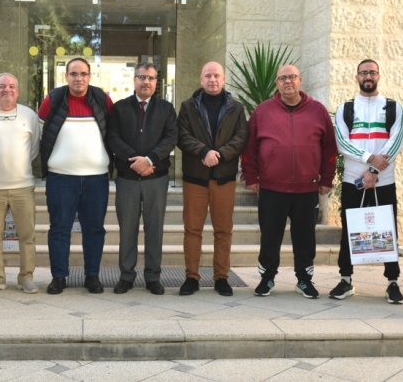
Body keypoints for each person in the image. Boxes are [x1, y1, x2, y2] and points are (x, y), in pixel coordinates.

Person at [242, 65, 336, 298]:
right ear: (277, 83)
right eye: (282, 78)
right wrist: (251, 176)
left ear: (300, 80)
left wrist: (326, 178)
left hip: (307, 188)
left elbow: (329, 148)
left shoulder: (317, 110)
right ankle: (267, 278)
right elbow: (249, 147)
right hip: (272, 187)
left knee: (305, 237)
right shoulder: (263, 111)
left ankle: (304, 280)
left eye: (292, 77)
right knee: (270, 236)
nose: (288, 82)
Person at [332, 59, 403, 304]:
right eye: (363, 73)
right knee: (349, 229)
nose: (368, 77)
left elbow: (396, 142)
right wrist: (368, 159)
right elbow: (342, 142)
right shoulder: (345, 109)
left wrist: (373, 170)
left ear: (379, 76)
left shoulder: (393, 108)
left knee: (388, 230)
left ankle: (392, 282)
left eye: (372, 72)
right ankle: (345, 279)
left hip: (383, 181)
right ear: (356, 77)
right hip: (353, 181)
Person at [38, 58, 113, 294]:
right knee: (59, 228)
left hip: (96, 179)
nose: (78, 78)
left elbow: (112, 131)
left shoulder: (102, 99)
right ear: (66, 76)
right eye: (73, 74)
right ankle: (58, 277)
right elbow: (40, 132)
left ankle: (92, 276)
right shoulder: (53, 99)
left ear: (89, 76)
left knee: (94, 229)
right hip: (61, 179)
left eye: (83, 74)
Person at [176, 61, 248, 296]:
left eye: (216, 75)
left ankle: (221, 278)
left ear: (223, 79)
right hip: (195, 178)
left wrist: (221, 155)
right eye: (208, 75)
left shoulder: (236, 108)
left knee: (223, 230)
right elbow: (182, 136)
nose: (212, 79)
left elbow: (241, 137)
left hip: (224, 178)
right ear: (201, 79)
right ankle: (191, 277)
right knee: (192, 229)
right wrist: (203, 152)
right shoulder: (188, 107)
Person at [107, 63, 178, 295]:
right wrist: (134, 161)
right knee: (127, 229)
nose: (146, 81)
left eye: (151, 78)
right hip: (127, 178)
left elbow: (171, 138)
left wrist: (149, 160)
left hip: (156, 178)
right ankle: (126, 276)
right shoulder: (120, 108)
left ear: (157, 82)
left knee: (154, 228)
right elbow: (113, 138)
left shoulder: (166, 109)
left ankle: (152, 277)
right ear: (134, 80)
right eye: (141, 77)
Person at [0, 73, 42, 294]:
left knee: (27, 235)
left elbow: (33, 148)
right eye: (2, 86)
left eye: (12, 86)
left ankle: (26, 277)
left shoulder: (29, 115)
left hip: (23, 186)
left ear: (18, 91)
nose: (7, 90)